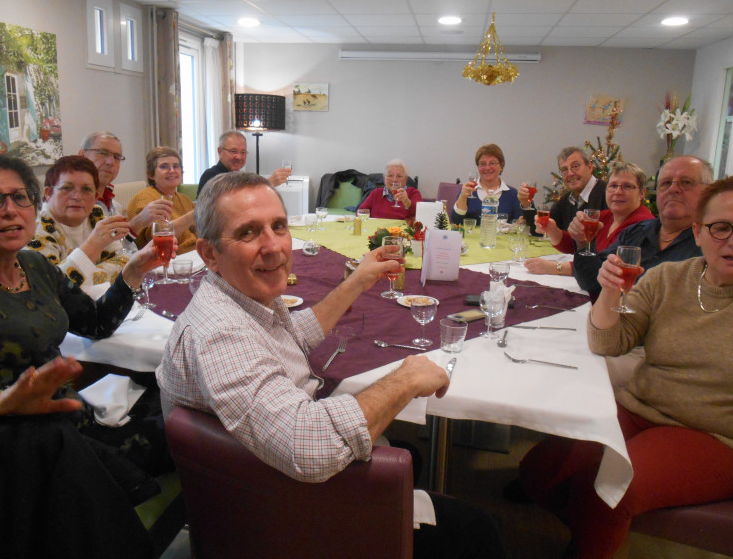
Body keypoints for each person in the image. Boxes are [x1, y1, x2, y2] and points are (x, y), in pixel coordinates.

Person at [157, 171, 506, 559]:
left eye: (278, 226)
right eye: (248, 233)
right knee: (477, 530)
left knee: (412, 453)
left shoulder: (239, 298)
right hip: (282, 515)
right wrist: (404, 379)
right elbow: (310, 447)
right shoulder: (221, 335)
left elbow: (293, 335)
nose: (274, 246)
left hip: (261, 480)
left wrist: (357, 281)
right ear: (208, 254)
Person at [0, 152, 176, 558]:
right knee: (170, 436)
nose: (11, 211)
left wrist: (134, 271)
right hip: (14, 445)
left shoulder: (34, 266)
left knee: (176, 404)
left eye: (20, 198)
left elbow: (94, 324)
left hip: (68, 416)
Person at [519, 175, 733, 559]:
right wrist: (609, 291)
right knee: (539, 472)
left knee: (614, 487)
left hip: (716, 433)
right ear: (699, 231)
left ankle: (591, 538)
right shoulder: (668, 278)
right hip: (639, 408)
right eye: (722, 227)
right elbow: (608, 342)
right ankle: (593, 521)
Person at [573, 156, 713, 297]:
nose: (673, 189)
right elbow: (590, 282)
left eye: (686, 182)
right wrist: (583, 243)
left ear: (708, 192)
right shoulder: (635, 233)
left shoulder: (712, 245)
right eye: (666, 183)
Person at [526, 162, 654, 277]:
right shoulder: (605, 216)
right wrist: (553, 230)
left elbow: (602, 267)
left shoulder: (643, 225)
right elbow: (576, 246)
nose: (618, 192)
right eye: (613, 186)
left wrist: (554, 267)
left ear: (642, 193)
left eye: (627, 186)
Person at [27, 156, 131, 289]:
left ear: (95, 197)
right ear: (48, 193)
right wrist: (94, 244)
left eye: (86, 189)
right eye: (66, 188)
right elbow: (50, 287)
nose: (77, 196)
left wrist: (80, 280)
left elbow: (123, 261)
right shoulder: (35, 227)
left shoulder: (95, 214)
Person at [79, 131, 173, 233]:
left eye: (116, 157)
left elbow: (120, 246)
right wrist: (139, 221)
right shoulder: (73, 203)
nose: (110, 162)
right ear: (82, 155)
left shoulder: (115, 206)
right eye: (103, 153)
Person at [518, 146, 608, 232]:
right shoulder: (567, 199)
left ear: (590, 167)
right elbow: (542, 229)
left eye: (575, 166)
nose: (570, 173)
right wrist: (526, 204)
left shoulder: (608, 194)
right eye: (564, 169)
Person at [128, 146, 197, 254]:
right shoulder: (145, 198)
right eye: (164, 166)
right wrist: (194, 214)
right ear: (151, 174)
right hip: (166, 261)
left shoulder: (184, 198)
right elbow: (156, 236)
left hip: (194, 257)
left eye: (176, 166)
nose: (172, 171)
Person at [196, 130, 290, 195]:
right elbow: (232, 203)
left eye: (243, 152)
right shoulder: (211, 176)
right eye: (233, 151)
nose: (239, 157)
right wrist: (268, 183)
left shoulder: (242, 177)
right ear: (220, 152)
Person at [451, 143, 521, 225]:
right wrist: (462, 196)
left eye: (492, 163)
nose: (487, 168)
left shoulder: (512, 194)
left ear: (501, 166)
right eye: (483, 164)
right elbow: (456, 221)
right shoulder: (468, 190)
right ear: (478, 167)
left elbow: (518, 223)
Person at [356, 159, 422, 220]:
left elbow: (421, 215)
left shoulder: (413, 193)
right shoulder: (376, 193)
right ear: (384, 178)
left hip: (401, 231)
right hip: (377, 230)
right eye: (390, 175)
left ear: (405, 179)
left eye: (399, 176)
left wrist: (407, 202)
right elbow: (360, 212)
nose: (394, 180)